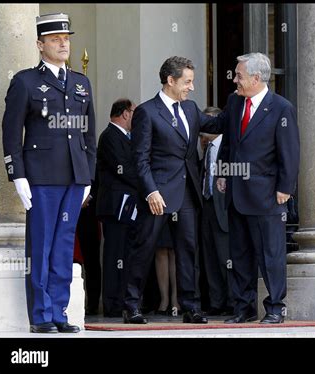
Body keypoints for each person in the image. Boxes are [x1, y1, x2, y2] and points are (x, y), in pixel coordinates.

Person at [2, 13, 96, 333]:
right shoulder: (25, 81)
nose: (63, 43)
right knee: (41, 247)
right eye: (55, 39)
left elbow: (88, 135)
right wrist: (18, 176)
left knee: (63, 248)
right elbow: (11, 132)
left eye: (66, 38)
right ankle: (41, 316)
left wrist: (88, 176)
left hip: (73, 178)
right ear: (40, 45)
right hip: (41, 178)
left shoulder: (81, 83)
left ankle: (59, 311)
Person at [123, 56, 224, 324]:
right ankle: (132, 305)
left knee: (189, 250)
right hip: (158, 194)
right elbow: (140, 159)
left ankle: (191, 307)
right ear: (170, 80)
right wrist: (150, 192)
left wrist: (241, 98)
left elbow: (215, 125)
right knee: (144, 248)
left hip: (188, 192)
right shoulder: (147, 111)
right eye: (187, 81)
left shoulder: (190, 109)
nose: (191, 87)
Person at [216, 53, 300, 324]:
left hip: (267, 193)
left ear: (256, 78)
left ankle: (275, 307)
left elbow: (289, 151)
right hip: (237, 192)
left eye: (239, 75)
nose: (235, 80)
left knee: (270, 254)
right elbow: (229, 142)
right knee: (239, 254)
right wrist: (223, 171)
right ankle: (244, 307)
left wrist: (285, 187)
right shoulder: (234, 102)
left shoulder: (281, 108)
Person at [96, 98, 138, 317]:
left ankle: (123, 300)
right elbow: (123, 168)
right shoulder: (110, 136)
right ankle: (112, 304)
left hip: (127, 207)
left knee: (125, 254)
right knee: (114, 256)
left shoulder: (125, 137)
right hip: (115, 208)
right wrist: (146, 185)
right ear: (125, 114)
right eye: (133, 112)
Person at [200, 107, 234, 316]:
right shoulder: (206, 149)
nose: (203, 129)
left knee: (225, 257)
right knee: (210, 256)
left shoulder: (226, 147)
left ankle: (232, 301)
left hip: (223, 209)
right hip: (207, 205)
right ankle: (216, 301)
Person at [76, 169, 102, 316]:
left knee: (91, 261)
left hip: (89, 213)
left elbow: (99, 182)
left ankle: (92, 305)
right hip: (68, 208)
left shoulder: (92, 156)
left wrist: (89, 197)